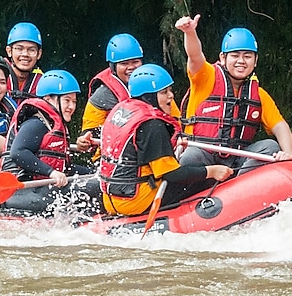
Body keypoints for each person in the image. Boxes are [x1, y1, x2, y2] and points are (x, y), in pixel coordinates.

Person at [99, 64, 234, 216]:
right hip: (137, 202)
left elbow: (138, 150)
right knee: (201, 179)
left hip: (111, 200)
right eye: (164, 92)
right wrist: (212, 171)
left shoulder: (122, 111)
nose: (171, 96)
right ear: (149, 96)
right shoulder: (152, 125)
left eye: (170, 90)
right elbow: (173, 175)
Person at [174, 14, 292, 173]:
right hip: (204, 155)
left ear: (255, 60)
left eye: (247, 56)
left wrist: (288, 154)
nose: (241, 61)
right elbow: (195, 56)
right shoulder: (206, 77)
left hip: (238, 161)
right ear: (223, 58)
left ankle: (238, 187)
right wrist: (190, 33)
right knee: (190, 157)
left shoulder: (258, 94)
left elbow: (280, 126)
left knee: (270, 146)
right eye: (235, 55)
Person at [0, 69, 98, 213]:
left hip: (37, 190)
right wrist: (51, 172)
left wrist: (95, 173)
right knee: (93, 188)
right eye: (67, 100)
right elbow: (18, 153)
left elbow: (65, 168)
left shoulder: (52, 125)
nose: (71, 106)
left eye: (74, 102)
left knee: (96, 182)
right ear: (48, 99)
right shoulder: (36, 123)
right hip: (21, 193)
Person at [80, 33, 181, 138]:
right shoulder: (103, 94)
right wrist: (85, 140)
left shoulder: (155, 85)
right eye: (124, 63)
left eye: (135, 62)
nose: (131, 67)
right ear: (113, 67)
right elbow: (89, 131)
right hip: (118, 150)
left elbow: (175, 120)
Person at [3, 22, 44, 103]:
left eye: (31, 50)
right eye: (19, 49)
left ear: (39, 54)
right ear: (9, 51)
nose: (25, 54)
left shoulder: (43, 83)